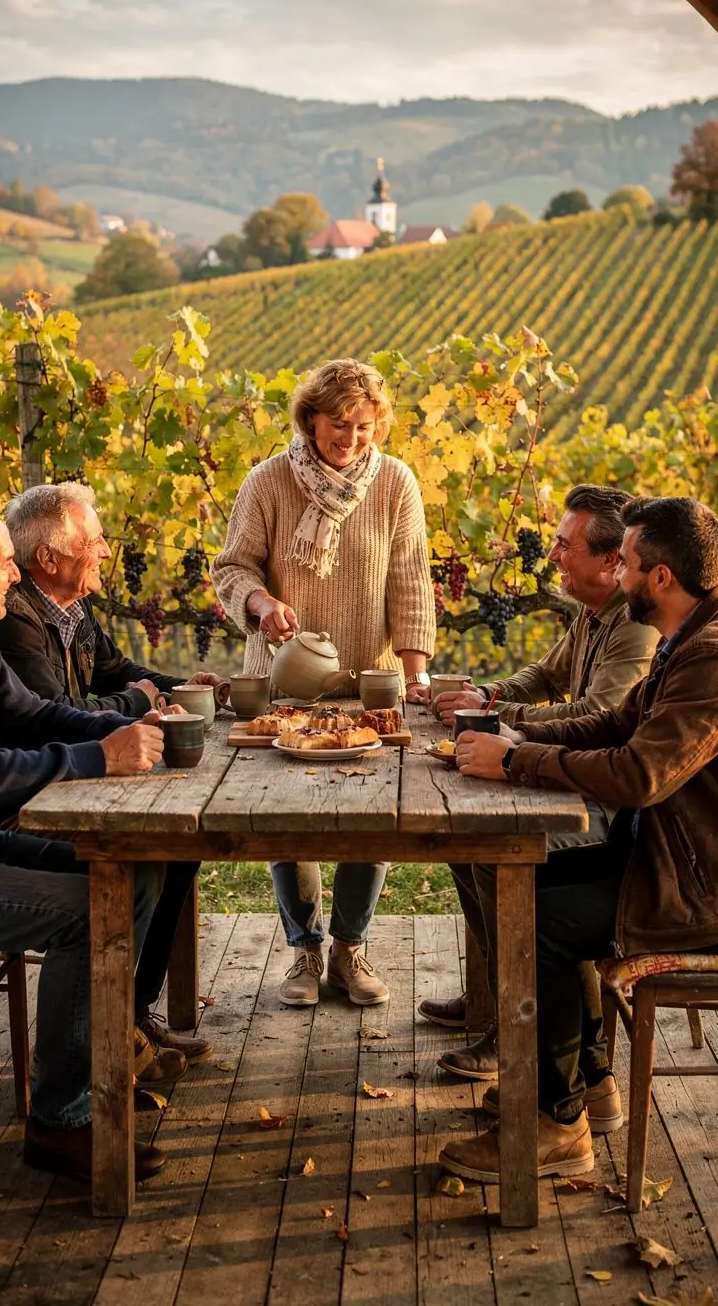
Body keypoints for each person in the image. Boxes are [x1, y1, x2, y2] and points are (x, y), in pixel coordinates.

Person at [439, 496, 718, 1182]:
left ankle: (557, 1125)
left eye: (624, 562)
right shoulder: (690, 638)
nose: (615, 573)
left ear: (660, 577)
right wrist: (512, 737)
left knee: (532, 918)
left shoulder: (713, 659)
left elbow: (639, 773)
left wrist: (515, 762)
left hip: (702, 893)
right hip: (662, 861)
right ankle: (584, 1086)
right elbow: (609, 726)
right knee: (520, 879)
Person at [0, 503, 185, 1185]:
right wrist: (100, 759)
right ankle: (61, 1123)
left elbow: (32, 716)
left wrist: (123, 728)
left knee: (133, 871)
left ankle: (105, 1050)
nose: (14, 574)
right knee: (87, 909)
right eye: (4, 563)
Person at [420, 485, 659, 1117]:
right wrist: (491, 697)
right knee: (470, 849)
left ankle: (531, 1046)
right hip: (585, 783)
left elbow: (602, 717)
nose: (551, 555)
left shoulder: (639, 631)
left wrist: (507, 729)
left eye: (564, 544)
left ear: (615, 563)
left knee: (502, 862)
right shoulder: (593, 612)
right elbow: (549, 678)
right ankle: (526, 1023)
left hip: (609, 810)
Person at [211, 358, 435, 1008]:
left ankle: (349, 950)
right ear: (310, 418)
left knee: (372, 823)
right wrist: (258, 604)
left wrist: (415, 674)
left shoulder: (395, 483)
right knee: (288, 821)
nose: (352, 439)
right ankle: (304, 952)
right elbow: (232, 568)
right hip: (284, 686)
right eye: (340, 425)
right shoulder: (269, 481)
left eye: (365, 427)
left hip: (368, 687)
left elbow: (411, 580)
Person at [0, 481, 224, 1060]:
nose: (103, 552)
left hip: (67, 779)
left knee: (180, 846)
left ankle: (132, 1013)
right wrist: (138, 704)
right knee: (152, 851)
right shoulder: (13, 623)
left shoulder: (71, 608)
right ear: (49, 558)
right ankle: (113, 1036)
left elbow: (118, 672)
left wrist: (183, 686)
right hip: (31, 794)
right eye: (93, 541)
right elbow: (49, 718)